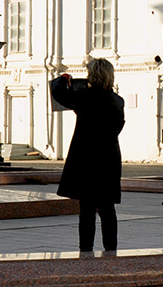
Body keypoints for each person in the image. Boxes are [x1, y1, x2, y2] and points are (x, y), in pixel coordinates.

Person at [50, 58, 125, 252]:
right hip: (109, 159)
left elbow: (58, 93)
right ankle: (111, 250)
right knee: (108, 209)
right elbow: (116, 128)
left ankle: (86, 250)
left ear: (92, 75)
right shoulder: (117, 101)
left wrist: (62, 79)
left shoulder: (84, 96)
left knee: (87, 210)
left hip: (86, 160)